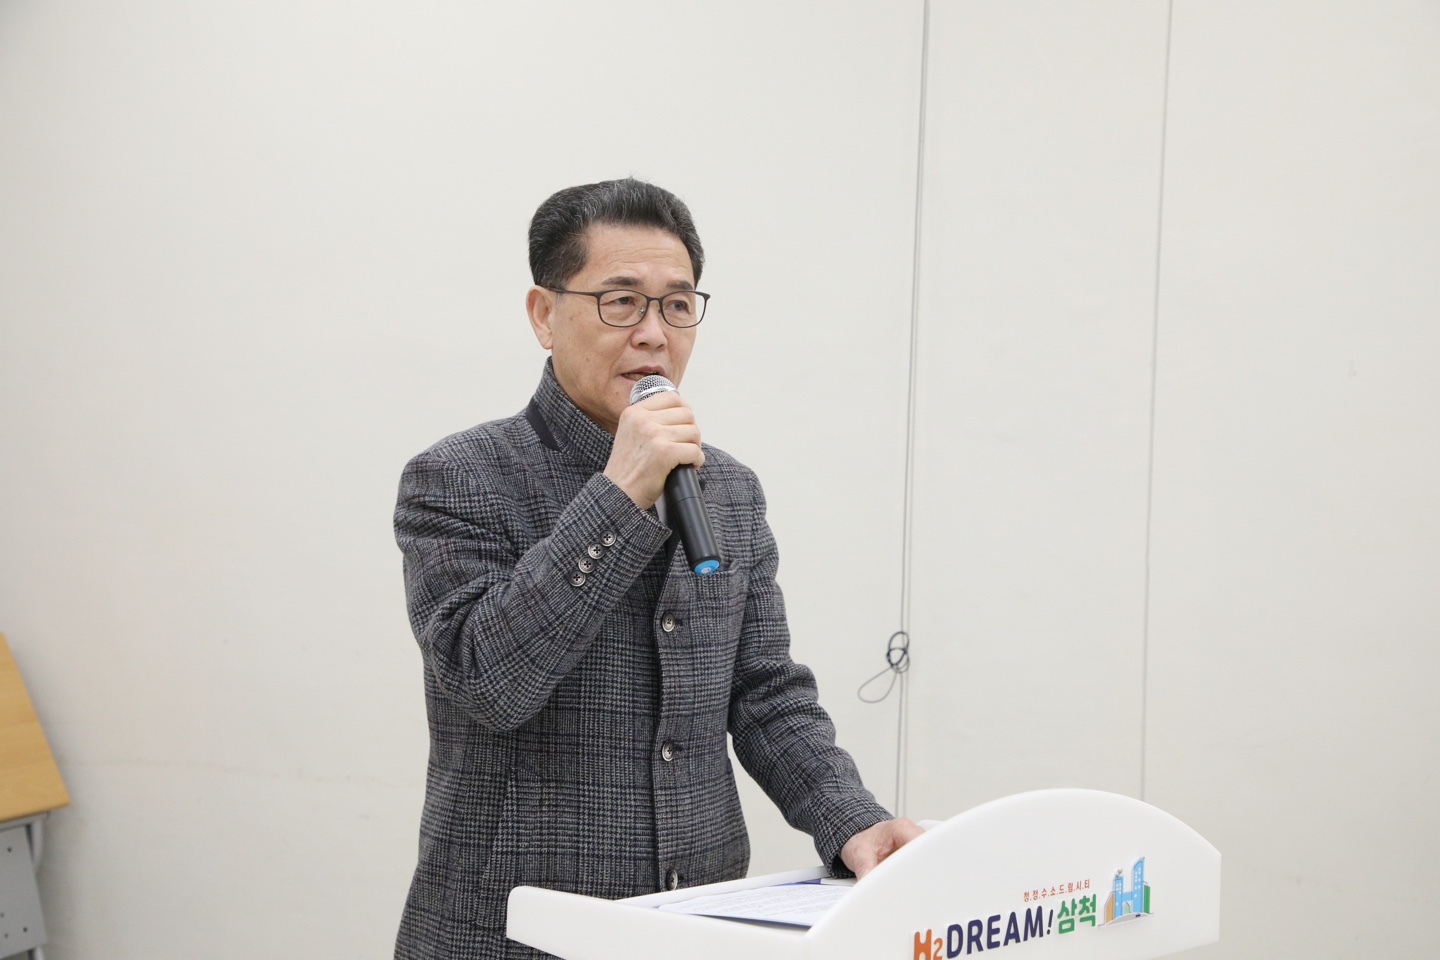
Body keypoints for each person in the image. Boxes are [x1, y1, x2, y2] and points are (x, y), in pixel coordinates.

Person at [393, 178, 921, 959]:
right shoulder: (460, 477)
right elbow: (487, 683)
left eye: (677, 305)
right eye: (621, 302)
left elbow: (765, 692)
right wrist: (620, 494)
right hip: (514, 935)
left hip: (698, 924)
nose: (653, 334)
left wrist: (852, 819)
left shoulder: (728, 488)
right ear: (544, 314)